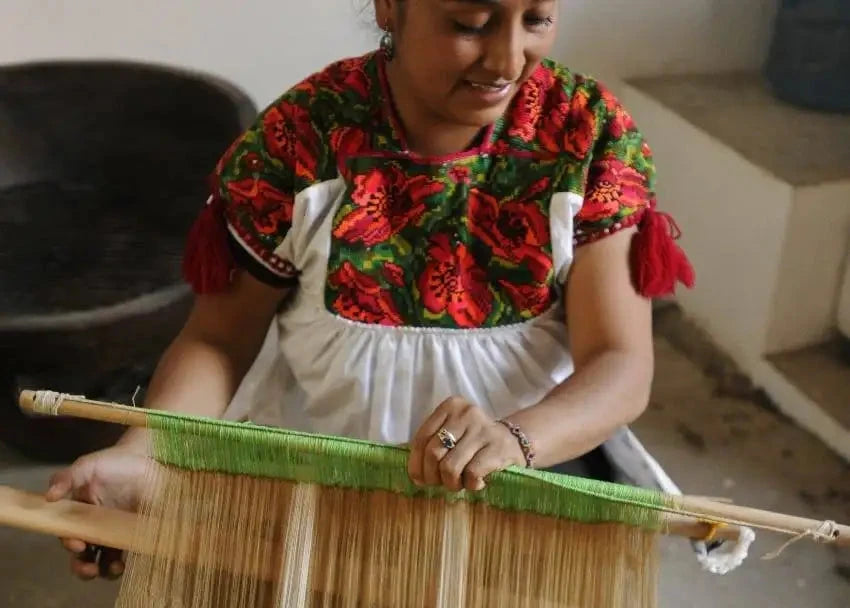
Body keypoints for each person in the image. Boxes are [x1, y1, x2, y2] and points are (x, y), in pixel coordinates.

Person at [46, 0, 695, 581]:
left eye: (537, 19)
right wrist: (144, 452)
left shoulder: (586, 136)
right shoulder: (301, 137)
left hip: (527, 484)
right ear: (391, 6)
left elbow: (620, 362)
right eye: (470, 23)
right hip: (321, 483)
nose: (507, 59)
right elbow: (218, 340)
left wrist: (516, 440)